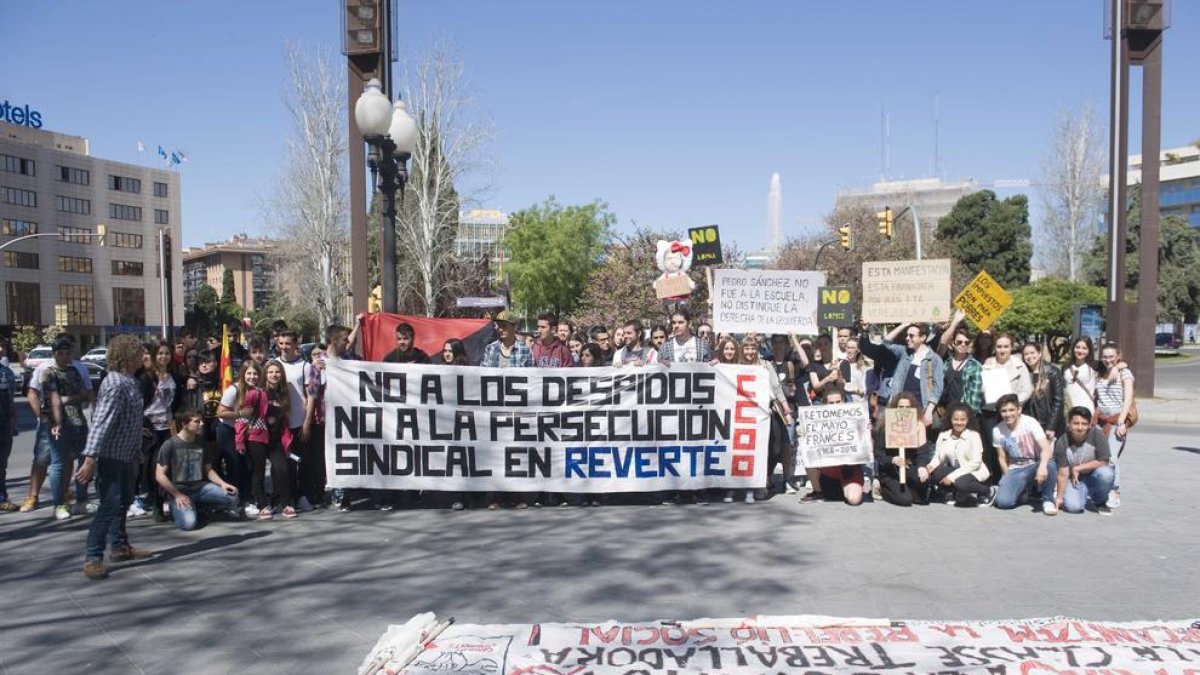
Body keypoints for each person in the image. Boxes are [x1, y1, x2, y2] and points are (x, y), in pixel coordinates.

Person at [75, 335, 154, 580]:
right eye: (138, 353)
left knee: (124, 500)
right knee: (109, 504)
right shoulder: (114, 383)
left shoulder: (129, 381)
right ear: (126, 356)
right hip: (110, 456)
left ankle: (119, 546)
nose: (142, 357)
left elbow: (125, 418)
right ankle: (93, 556)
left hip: (127, 454)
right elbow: (101, 423)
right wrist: (90, 458)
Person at [33, 337, 94, 520]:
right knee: (58, 463)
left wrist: (69, 398)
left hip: (78, 421)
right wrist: (56, 422)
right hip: (58, 423)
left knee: (83, 461)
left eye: (68, 353)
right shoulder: (48, 373)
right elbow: (53, 400)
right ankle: (59, 504)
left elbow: (87, 393)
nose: (65, 356)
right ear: (54, 354)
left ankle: (82, 501)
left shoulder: (75, 371)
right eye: (61, 353)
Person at [726, 334, 791, 504]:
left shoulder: (765, 365)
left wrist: (786, 410)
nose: (749, 351)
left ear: (757, 349)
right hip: (745, 414)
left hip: (768, 412)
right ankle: (753, 485)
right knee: (747, 449)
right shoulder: (736, 366)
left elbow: (776, 389)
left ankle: (765, 476)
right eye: (746, 348)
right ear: (742, 349)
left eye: (752, 348)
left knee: (774, 449)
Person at [155, 409, 240, 530]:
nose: (202, 424)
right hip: (180, 492)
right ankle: (179, 509)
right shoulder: (170, 445)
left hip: (200, 488)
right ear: (184, 424)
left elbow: (208, 470)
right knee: (189, 524)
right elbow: (159, 475)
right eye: (197, 422)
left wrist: (223, 483)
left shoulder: (202, 443)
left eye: (201, 421)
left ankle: (200, 506)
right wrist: (177, 495)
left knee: (233, 496)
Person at [991, 393, 1057, 515]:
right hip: (1015, 469)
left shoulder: (1030, 422)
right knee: (1004, 503)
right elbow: (1001, 457)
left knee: (1050, 463)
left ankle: (1048, 499)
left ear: (1019, 409)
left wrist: (1042, 467)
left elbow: (1046, 449)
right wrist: (1007, 478)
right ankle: (1024, 491)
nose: (1008, 414)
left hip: (1034, 464)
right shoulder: (997, 430)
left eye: (1011, 410)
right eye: (1004, 411)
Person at [134, 341, 178, 520]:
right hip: (150, 429)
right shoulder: (147, 378)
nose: (164, 357)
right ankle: (155, 504)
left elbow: (178, 400)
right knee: (153, 467)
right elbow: (137, 403)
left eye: (167, 353)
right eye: (160, 354)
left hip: (168, 427)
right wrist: (139, 425)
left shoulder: (174, 376)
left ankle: (166, 500)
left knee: (168, 466)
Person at [799, 387, 864, 506]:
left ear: (844, 401)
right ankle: (817, 491)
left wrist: (866, 431)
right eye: (831, 403)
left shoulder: (856, 418)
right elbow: (810, 443)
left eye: (838, 402)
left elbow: (868, 447)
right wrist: (804, 432)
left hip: (850, 472)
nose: (835, 405)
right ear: (825, 404)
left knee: (854, 500)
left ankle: (850, 489)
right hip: (828, 473)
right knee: (807, 449)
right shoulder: (817, 421)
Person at [980, 333, 1032, 479]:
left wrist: (1013, 405)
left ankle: (1013, 478)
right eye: (999, 346)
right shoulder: (987, 364)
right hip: (991, 412)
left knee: (1011, 446)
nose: (1002, 350)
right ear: (994, 347)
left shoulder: (1019, 366)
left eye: (1006, 346)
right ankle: (994, 480)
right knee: (992, 448)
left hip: (1011, 414)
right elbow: (982, 387)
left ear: (1011, 347)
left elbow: (1026, 390)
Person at [275, 331, 315, 511]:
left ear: (295, 345)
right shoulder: (273, 365)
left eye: (287, 343)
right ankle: (286, 498)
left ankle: (304, 496)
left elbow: (311, 396)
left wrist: (307, 422)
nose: (284, 347)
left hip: (300, 421)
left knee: (304, 462)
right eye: (281, 343)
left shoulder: (305, 366)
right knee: (285, 464)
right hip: (281, 424)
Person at [925, 403, 993, 506]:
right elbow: (938, 456)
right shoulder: (943, 435)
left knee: (960, 484)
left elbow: (976, 462)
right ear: (950, 420)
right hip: (954, 470)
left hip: (973, 471)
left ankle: (988, 491)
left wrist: (952, 477)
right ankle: (955, 492)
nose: (959, 422)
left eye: (962, 419)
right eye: (956, 419)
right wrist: (931, 465)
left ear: (967, 420)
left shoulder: (974, 435)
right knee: (933, 473)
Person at [1054, 407, 1115, 515]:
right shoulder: (1062, 442)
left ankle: (1100, 501)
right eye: (1076, 423)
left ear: (1089, 424)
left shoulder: (1097, 435)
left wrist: (1078, 468)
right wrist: (1059, 498)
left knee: (1107, 473)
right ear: (1069, 424)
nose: (1080, 427)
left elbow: (1104, 461)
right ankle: (1080, 492)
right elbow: (1063, 473)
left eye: (1084, 423)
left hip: (1094, 475)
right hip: (1075, 479)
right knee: (1073, 508)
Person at [873, 393, 931, 507]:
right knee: (905, 500)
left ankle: (910, 488)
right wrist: (892, 460)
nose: (904, 410)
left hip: (909, 467)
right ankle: (881, 487)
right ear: (895, 408)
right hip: (891, 470)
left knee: (921, 498)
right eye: (901, 407)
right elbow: (878, 453)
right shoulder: (884, 426)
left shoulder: (918, 425)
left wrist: (922, 466)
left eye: (907, 408)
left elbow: (923, 452)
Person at [1094, 343, 1134, 508]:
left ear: (1118, 355)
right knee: (1099, 456)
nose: (1108, 360)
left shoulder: (1125, 373)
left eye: (1111, 356)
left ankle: (1114, 490)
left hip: (1115, 420)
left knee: (1111, 458)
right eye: (1105, 356)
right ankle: (1100, 488)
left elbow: (1128, 399)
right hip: (1100, 420)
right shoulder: (1100, 372)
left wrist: (1122, 422)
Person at [1021, 343, 1065, 442]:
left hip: (1046, 422)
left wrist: (1051, 426)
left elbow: (1058, 401)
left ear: (1039, 353)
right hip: (1029, 422)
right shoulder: (1023, 372)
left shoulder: (1052, 372)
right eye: (1026, 354)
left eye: (1032, 353)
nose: (1029, 356)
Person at [939, 326, 983, 421]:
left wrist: (965, 417)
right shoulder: (946, 363)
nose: (963, 345)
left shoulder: (975, 366)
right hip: (947, 414)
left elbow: (975, 399)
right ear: (953, 343)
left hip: (966, 417)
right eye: (959, 342)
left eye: (966, 343)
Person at [1061, 337, 1099, 415]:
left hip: (1086, 409)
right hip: (1069, 408)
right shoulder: (1066, 366)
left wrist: (1119, 366)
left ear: (1089, 350)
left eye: (1084, 348)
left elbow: (1111, 365)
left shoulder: (1094, 365)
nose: (1080, 351)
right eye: (1077, 347)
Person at [808, 334, 850, 403]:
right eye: (820, 345)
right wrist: (828, 379)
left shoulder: (843, 363)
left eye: (826, 343)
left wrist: (839, 373)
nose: (823, 347)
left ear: (832, 345)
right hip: (820, 401)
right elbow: (816, 387)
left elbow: (844, 386)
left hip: (839, 400)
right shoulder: (813, 365)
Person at [0, 359, 16, 511]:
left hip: (4, 424)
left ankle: (2, 498)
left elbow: (11, 400)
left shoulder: (6, 372)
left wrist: (13, 422)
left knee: (1, 464)